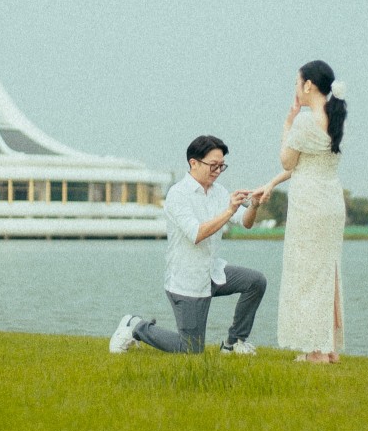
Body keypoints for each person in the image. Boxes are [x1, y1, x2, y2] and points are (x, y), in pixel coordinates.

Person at [110, 135, 267, 355]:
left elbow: (246, 223)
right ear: (194, 163)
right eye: (213, 165)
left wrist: (254, 206)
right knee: (191, 350)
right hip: (186, 281)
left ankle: (234, 343)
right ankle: (135, 325)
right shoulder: (178, 194)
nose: (218, 171)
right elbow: (197, 234)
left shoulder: (219, 192)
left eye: (222, 166)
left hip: (212, 273)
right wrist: (229, 210)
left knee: (255, 281)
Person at [255, 60, 347, 363]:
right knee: (326, 272)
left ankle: (315, 351)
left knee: (308, 274)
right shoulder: (333, 118)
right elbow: (304, 164)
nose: (295, 88)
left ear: (308, 85)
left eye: (297, 82)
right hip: (330, 202)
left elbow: (287, 160)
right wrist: (271, 183)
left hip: (310, 204)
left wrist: (287, 123)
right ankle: (328, 347)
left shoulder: (306, 121)